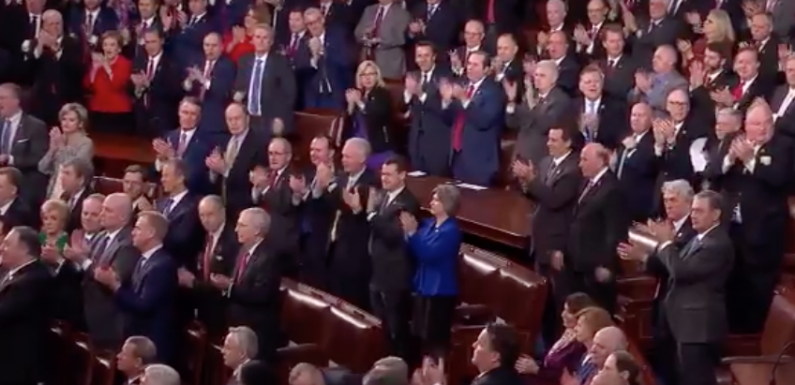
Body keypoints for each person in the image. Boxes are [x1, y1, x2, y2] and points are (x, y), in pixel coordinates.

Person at [619, 190, 733, 385]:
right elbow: (672, 266)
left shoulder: (717, 244)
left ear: (716, 214)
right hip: (685, 324)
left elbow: (681, 271)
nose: (694, 216)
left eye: (699, 211)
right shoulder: (699, 238)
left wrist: (666, 242)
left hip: (698, 327)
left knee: (696, 380)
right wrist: (652, 254)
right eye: (693, 210)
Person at [94, 211, 178, 364]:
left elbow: (144, 305)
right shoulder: (144, 259)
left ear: (151, 233)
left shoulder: (162, 265)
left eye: (138, 228)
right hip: (137, 336)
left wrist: (114, 285)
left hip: (152, 344)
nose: (133, 232)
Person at [213, 208, 285, 361]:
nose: (236, 229)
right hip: (238, 322)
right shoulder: (243, 250)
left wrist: (229, 287)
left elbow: (261, 295)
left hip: (256, 330)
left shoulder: (269, 257)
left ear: (257, 230)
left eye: (242, 225)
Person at [404, 184, 462, 358]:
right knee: (420, 336)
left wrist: (413, 233)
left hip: (440, 291)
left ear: (447, 204)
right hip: (423, 286)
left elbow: (428, 254)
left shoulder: (451, 231)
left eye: (436, 200)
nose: (432, 202)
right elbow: (416, 247)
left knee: (434, 341)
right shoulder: (430, 224)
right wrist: (412, 234)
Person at [0, 226, 54, 385]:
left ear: (23, 249)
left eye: (7, 244)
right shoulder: (8, 272)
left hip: (15, 364)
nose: (2, 248)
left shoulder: (34, 279)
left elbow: (4, 313)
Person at [515, 293, 596, 384]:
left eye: (568, 312)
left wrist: (537, 370)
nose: (563, 314)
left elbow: (563, 376)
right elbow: (550, 358)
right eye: (563, 309)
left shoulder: (580, 345)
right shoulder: (566, 332)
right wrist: (534, 364)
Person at [345, 61, 397, 171]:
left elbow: (375, 116)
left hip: (378, 146)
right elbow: (351, 122)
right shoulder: (360, 94)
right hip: (358, 141)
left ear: (377, 76)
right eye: (364, 75)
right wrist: (351, 105)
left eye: (371, 74)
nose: (367, 78)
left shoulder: (382, 94)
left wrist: (359, 102)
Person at [38, 103, 94, 199]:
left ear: (80, 123)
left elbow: (75, 170)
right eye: (64, 119)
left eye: (71, 120)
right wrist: (52, 150)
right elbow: (42, 168)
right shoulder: (59, 138)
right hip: (54, 190)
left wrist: (61, 147)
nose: (66, 123)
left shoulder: (86, 143)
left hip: (72, 192)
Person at [83, 31, 134, 135]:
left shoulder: (124, 63)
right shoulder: (98, 63)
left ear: (119, 49)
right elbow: (88, 85)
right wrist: (94, 70)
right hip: (98, 110)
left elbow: (117, 84)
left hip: (118, 113)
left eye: (112, 45)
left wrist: (106, 66)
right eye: (105, 45)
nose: (108, 48)